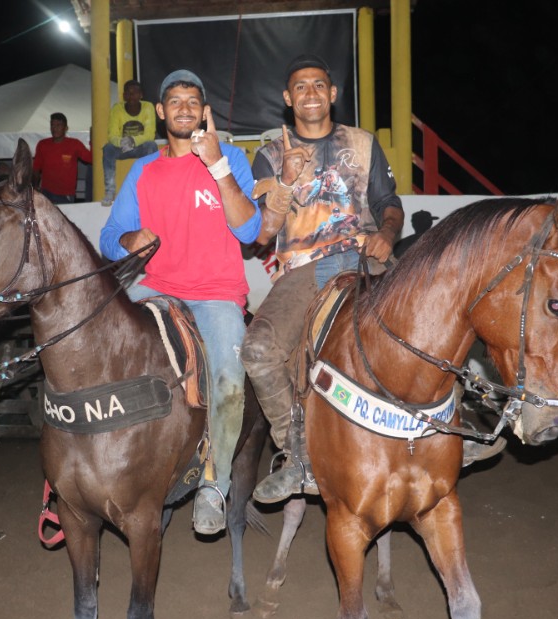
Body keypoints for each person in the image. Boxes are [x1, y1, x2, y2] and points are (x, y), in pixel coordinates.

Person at [99, 70, 262, 535]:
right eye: (175, 100)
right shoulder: (143, 170)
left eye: (193, 101)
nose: (185, 108)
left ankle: (215, 484)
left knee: (231, 382)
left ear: (204, 111)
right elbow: (109, 238)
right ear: (160, 111)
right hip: (153, 287)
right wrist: (129, 237)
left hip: (215, 295)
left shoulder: (230, 158)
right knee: (100, 349)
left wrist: (218, 167)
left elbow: (249, 231)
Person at [241, 54, 405, 503]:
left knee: (427, 310)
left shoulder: (363, 142)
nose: (310, 93)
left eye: (319, 85)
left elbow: (388, 201)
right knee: (256, 351)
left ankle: (446, 426)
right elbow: (263, 230)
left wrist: (388, 233)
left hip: (363, 255)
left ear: (332, 94)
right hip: (302, 268)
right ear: (287, 98)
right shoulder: (269, 155)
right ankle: (297, 456)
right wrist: (286, 182)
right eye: (300, 87)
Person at [101, 79, 159, 206]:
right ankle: (110, 191)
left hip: (140, 146)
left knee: (152, 146)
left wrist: (133, 140)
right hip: (123, 147)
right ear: (124, 95)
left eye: (135, 93)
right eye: (128, 93)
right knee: (108, 149)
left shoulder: (148, 107)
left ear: (141, 95)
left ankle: (151, 188)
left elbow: (150, 134)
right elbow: (112, 135)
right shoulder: (117, 109)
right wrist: (122, 142)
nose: (131, 96)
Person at [32, 112, 92, 204]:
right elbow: (36, 169)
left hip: (65, 195)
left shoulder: (74, 144)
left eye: (58, 125)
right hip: (46, 193)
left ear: (66, 128)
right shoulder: (42, 144)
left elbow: (91, 159)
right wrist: (35, 188)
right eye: (52, 125)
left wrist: (93, 140)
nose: (55, 128)